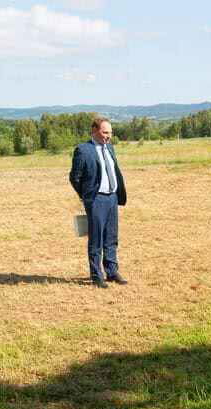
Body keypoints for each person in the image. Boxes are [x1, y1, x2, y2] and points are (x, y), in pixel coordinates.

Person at [69, 116, 128, 288]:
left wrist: (116, 194)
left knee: (111, 237)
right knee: (96, 239)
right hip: (96, 200)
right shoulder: (83, 150)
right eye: (104, 132)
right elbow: (75, 177)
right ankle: (97, 276)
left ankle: (112, 271)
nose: (108, 136)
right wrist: (87, 195)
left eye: (110, 132)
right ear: (94, 131)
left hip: (112, 198)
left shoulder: (109, 147)